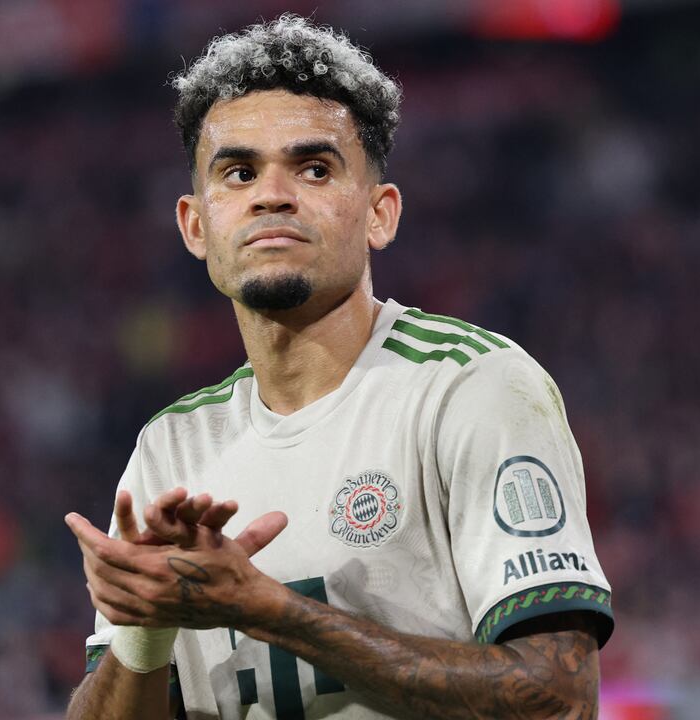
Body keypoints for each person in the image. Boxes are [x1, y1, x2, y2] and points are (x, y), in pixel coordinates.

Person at [64, 14, 613, 720]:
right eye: (238, 172)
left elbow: (560, 699)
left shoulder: (473, 389)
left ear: (380, 215)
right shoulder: (170, 450)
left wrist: (273, 612)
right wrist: (143, 630)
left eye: (315, 168)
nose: (272, 195)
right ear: (196, 225)